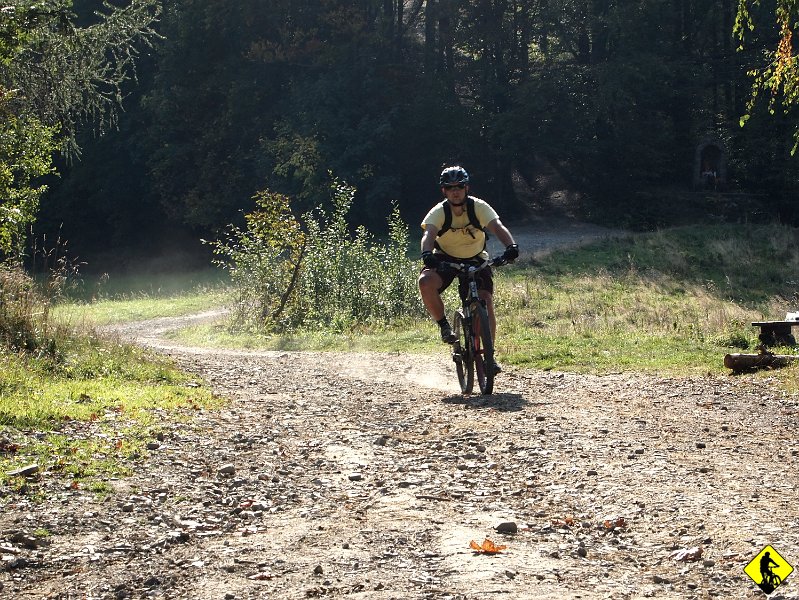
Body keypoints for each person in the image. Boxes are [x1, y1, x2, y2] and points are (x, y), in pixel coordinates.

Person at [418, 165, 518, 373]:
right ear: (444, 191)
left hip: (475, 259)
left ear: (467, 188)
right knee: (425, 282)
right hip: (445, 259)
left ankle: (489, 355)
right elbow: (429, 235)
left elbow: (497, 226)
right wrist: (427, 254)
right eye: (450, 187)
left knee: (485, 300)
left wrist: (511, 247)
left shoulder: (478, 207)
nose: (456, 191)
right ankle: (444, 326)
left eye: (460, 186)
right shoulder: (439, 212)